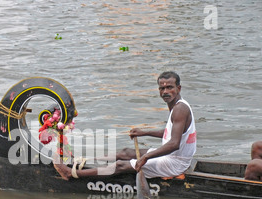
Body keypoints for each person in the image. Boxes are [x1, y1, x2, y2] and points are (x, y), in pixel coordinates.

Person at [53, 71, 197, 180]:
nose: (165, 92)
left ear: (178, 88)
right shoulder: (177, 106)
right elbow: (169, 133)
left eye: (170, 88)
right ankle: (84, 161)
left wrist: (146, 158)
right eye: (162, 88)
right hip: (171, 156)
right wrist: (143, 133)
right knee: (125, 152)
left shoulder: (180, 109)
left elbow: (174, 144)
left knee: (120, 165)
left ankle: (71, 173)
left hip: (175, 162)